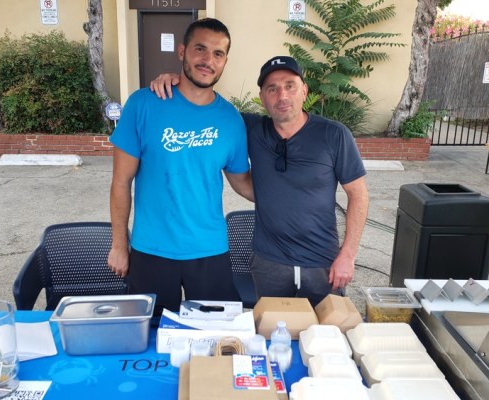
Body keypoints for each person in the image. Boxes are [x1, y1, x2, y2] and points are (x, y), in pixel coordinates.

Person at [151, 56, 369, 306]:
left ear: (304, 91)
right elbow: (208, 108)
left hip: (323, 262)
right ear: (262, 97)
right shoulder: (251, 128)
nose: (282, 96)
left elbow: (359, 194)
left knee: (326, 337)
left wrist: (348, 255)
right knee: (271, 335)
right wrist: (179, 82)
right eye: (272, 89)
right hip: (269, 263)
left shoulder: (334, 134)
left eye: (290, 86)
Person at [108, 18, 253, 316]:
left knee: (218, 339)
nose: (207, 60)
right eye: (200, 49)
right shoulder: (143, 104)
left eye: (218, 54)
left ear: (225, 61)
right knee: (151, 340)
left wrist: (290, 197)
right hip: (151, 249)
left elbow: (242, 182)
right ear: (182, 51)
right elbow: (121, 182)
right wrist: (119, 245)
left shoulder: (230, 119)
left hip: (210, 248)